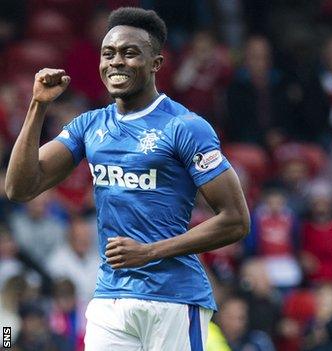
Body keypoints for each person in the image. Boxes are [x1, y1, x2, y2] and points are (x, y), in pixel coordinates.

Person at [4, 7, 250, 351]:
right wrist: (37, 106)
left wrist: (149, 252)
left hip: (174, 298)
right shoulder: (89, 126)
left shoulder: (185, 127)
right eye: (109, 54)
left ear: (156, 64)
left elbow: (236, 220)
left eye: (129, 53)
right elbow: (19, 187)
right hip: (110, 297)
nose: (116, 61)